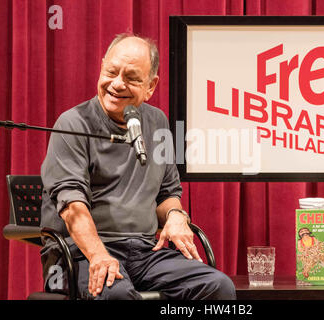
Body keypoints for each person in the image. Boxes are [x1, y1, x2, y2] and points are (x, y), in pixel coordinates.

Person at [39, 33, 236, 300]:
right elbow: (72, 206)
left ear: (151, 86)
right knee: (117, 295)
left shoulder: (157, 122)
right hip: (83, 253)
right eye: (111, 72)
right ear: (101, 68)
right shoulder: (72, 124)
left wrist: (177, 216)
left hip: (145, 252)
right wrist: (99, 255)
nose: (116, 84)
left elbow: (167, 194)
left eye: (131, 78)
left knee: (217, 287)